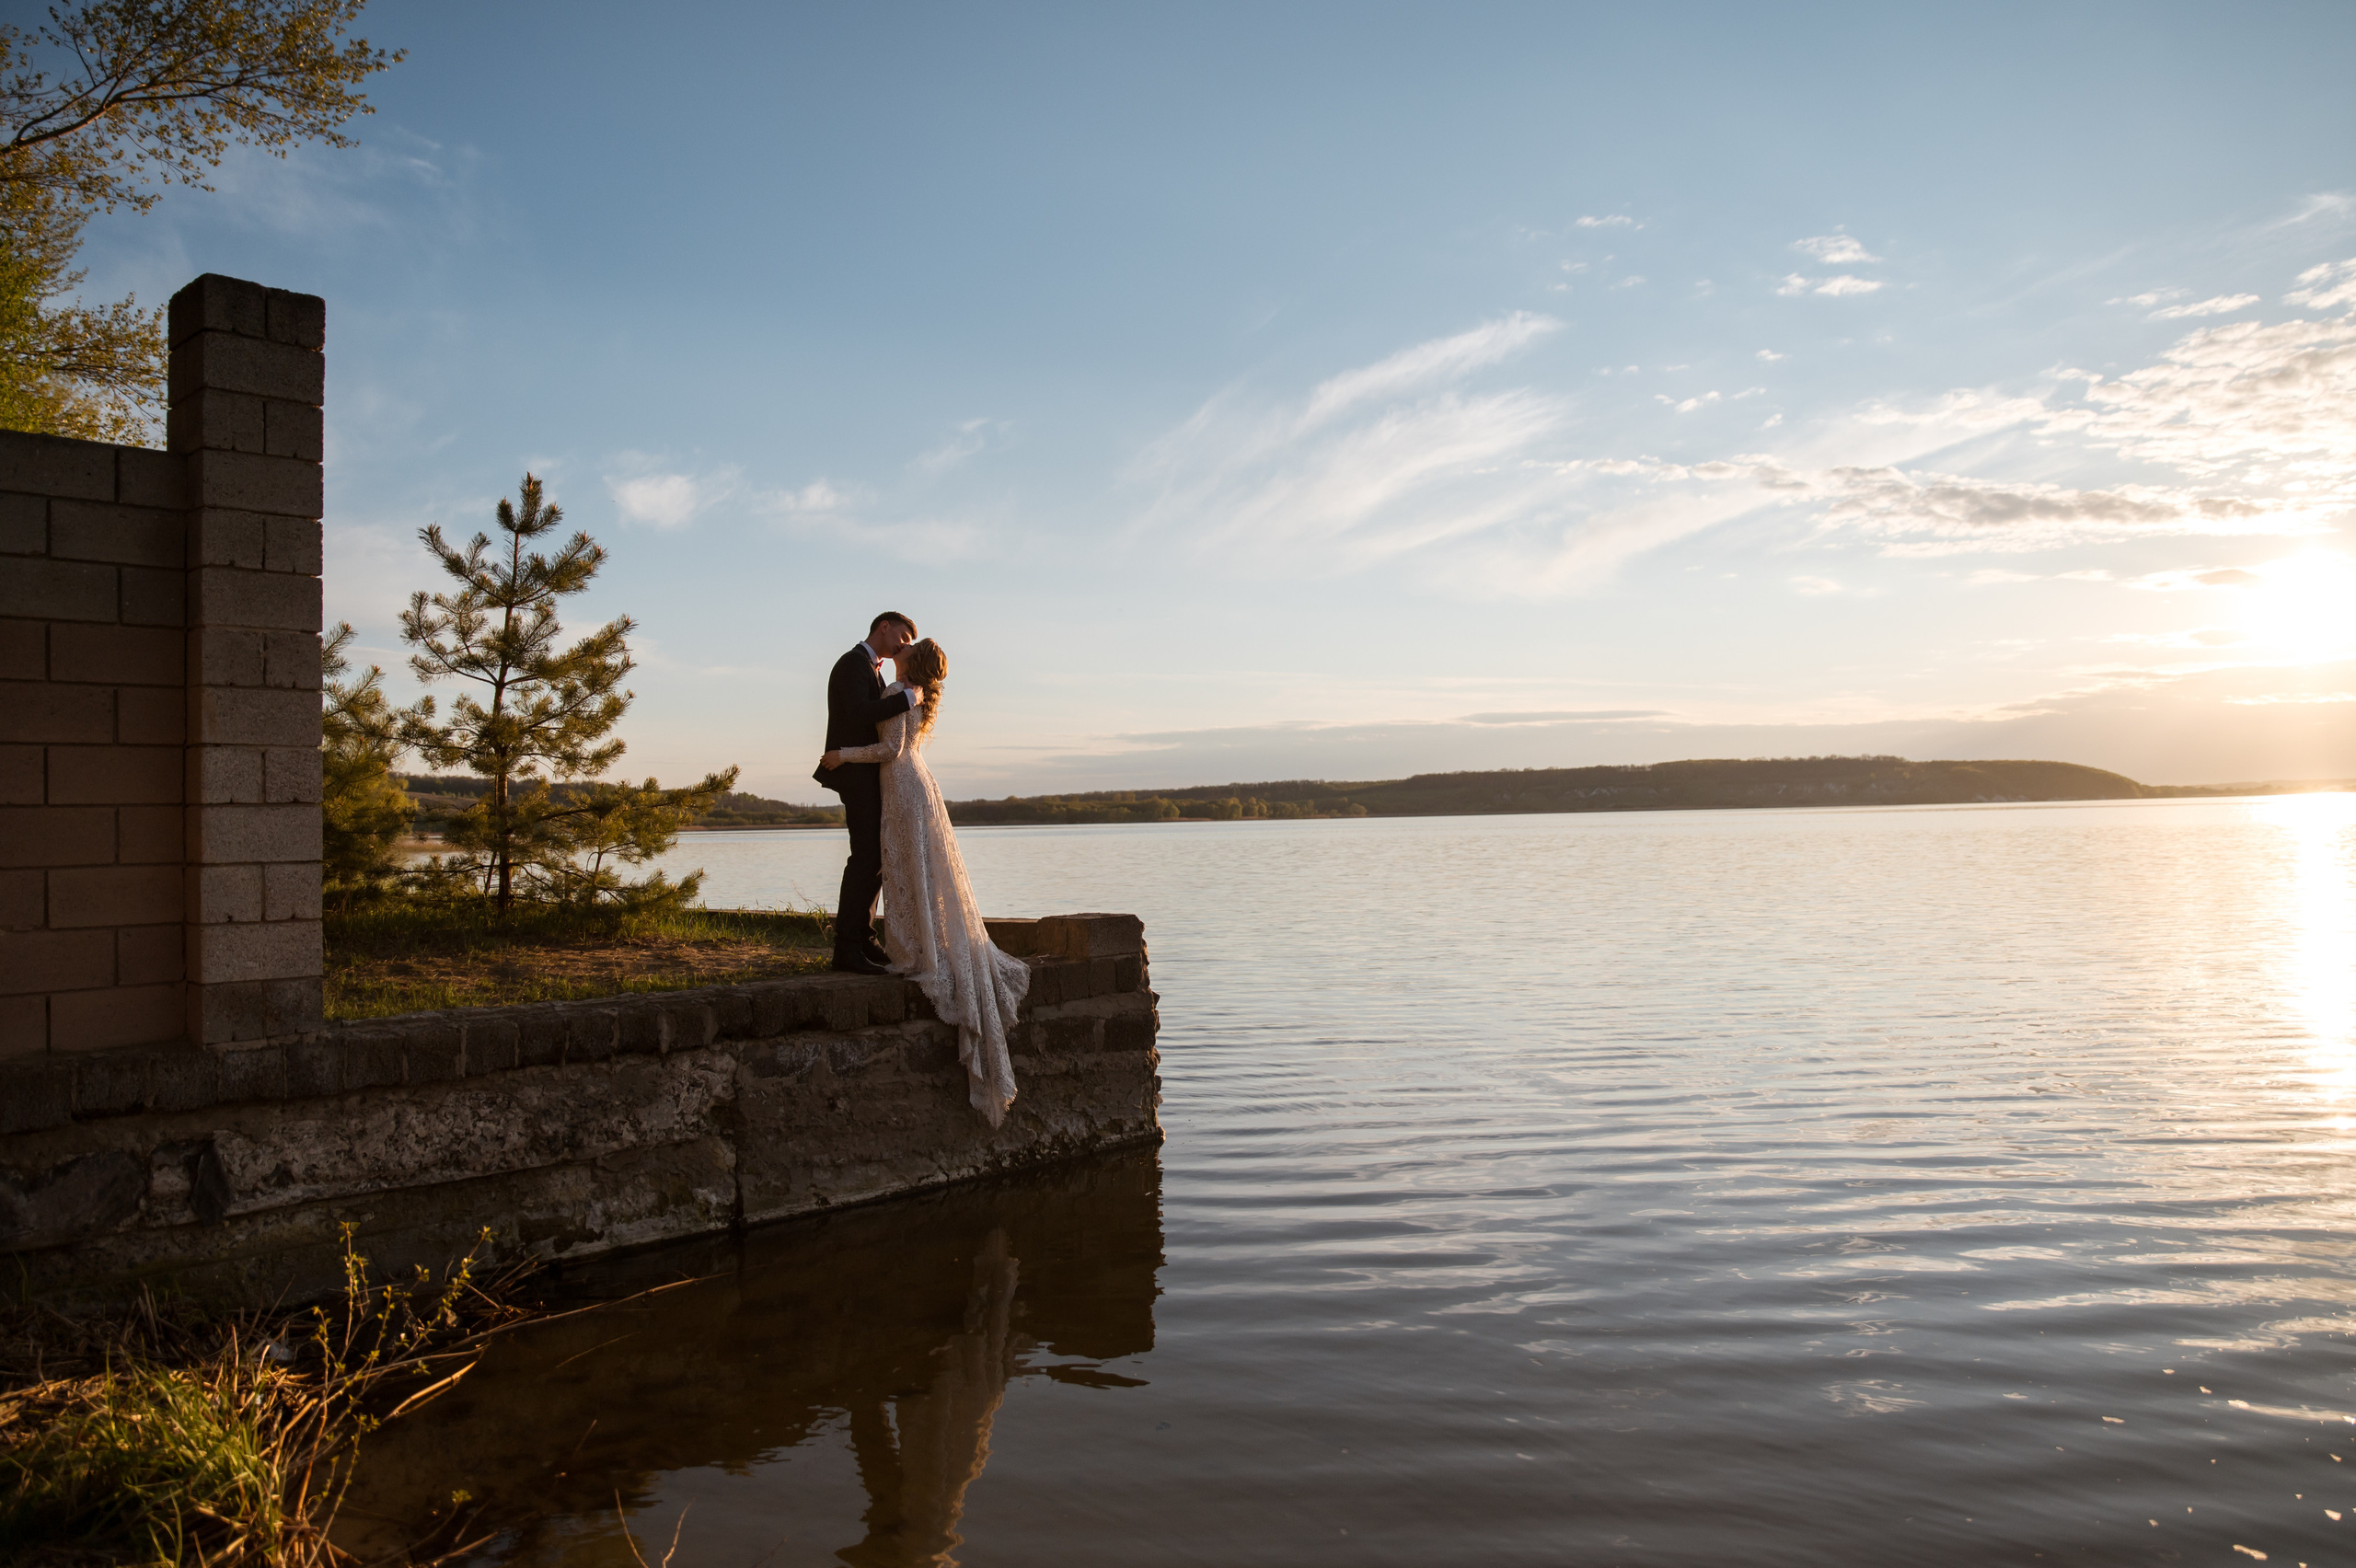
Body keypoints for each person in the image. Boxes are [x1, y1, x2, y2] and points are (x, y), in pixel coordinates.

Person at [820, 637, 1029, 1126]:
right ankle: (916, 943)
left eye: (909, 646)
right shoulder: (905, 692)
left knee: (910, 865)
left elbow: (890, 748)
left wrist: (842, 755)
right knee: (911, 866)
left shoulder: (900, 691)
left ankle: (920, 950)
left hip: (904, 783)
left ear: (913, 663)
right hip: (914, 781)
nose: (902, 646)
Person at [814, 613, 926, 975]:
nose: (904, 645)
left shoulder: (873, 669)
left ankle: (864, 939)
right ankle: (846, 947)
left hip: (868, 773)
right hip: (854, 773)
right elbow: (860, 713)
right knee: (865, 857)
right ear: (884, 627)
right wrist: (906, 698)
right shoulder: (851, 664)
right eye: (904, 635)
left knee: (874, 856)